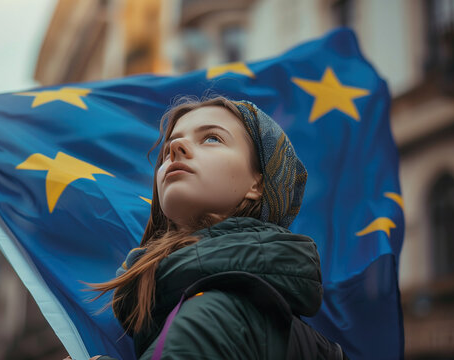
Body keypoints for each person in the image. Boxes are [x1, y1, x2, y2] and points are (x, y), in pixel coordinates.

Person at [86, 96, 323, 359]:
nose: (175, 146)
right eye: (166, 151)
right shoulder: (237, 312)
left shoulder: (211, 314)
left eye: (212, 138)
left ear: (258, 183)